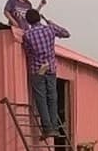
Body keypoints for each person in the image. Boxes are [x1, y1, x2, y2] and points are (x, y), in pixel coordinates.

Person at [21, 9, 70, 139]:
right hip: (51, 68)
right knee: (52, 98)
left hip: (37, 70)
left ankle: (47, 128)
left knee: (41, 99)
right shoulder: (49, 29)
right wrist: (50, 22)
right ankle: (54, 127)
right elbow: (66, 33)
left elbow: (28, 52)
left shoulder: (27, 35)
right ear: (39, 18)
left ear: (28, 21)